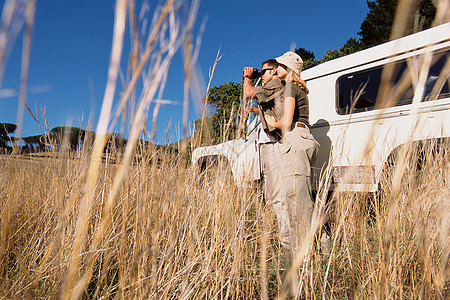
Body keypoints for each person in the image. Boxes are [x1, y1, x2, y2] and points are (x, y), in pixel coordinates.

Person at [264, 51, 320, 257]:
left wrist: (272, 124)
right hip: (304, 138)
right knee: (303, 195)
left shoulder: (289, 87)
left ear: (288, 69)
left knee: (295, 197)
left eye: (278, 66)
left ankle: (302, 252)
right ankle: (314, 243)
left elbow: (286, 122)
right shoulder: (298, 89)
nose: (274, 69)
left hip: (295, 139)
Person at [243, 59, 291, 248]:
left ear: (274, 72)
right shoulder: (272, 87)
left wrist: (248, 77)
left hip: (272, 144)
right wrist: (256, 110)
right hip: (267, 144)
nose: (261, 75)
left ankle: (287, 241)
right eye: (260, 72)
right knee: (272, 192)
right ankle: (284, 235)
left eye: (264, 71)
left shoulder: (275, 83)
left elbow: (249, 93)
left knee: (276, 193)